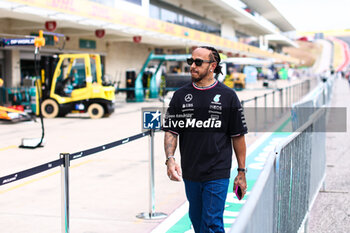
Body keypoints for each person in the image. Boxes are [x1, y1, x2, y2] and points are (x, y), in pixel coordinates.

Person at [163, 46, 248, 233]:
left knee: (211, 223)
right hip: (191, 173)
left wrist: (241, 172)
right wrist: (170, 160)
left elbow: (238, 136)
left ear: (212, 66)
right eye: (190, 61)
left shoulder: (228, 96)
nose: (192, 66)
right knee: (198, 222)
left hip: (217, 171)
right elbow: (171, 131)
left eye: (198, 62)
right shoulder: (179, 96)